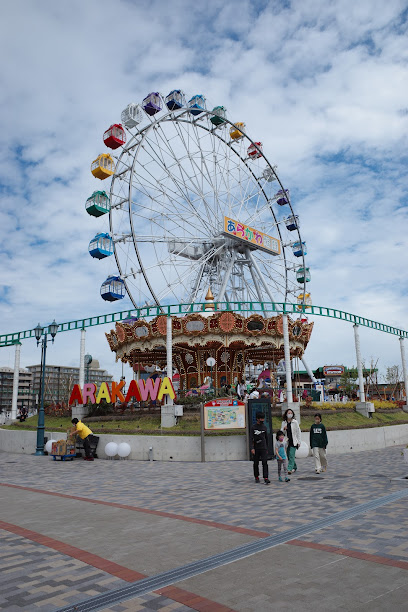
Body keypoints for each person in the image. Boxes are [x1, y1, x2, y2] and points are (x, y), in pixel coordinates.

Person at [250, 412, 270, 484]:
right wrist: (252, 448)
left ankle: (266, 477)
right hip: (256, 448)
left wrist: (267, 448)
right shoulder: (253, 427)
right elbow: (251, 438)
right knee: (256, 463)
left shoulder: (264, 427)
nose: (262, 420)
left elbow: (266, 438)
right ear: (257, 419)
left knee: (265, 462)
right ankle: (256, 476)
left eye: (263, 418)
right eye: (261, 418)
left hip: (263, 447)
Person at [280, 408, 301, 474]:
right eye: (288, 413)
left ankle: (289, 469)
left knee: (292, 455)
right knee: (289, 455)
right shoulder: (284, 422)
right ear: (286, 414)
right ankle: (294, 466)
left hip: (293, 441)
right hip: (287, 441)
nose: (290, 414)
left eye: (291, 413)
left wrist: (299, 441)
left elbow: (298, 432)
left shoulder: (295, 422)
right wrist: (284, 428)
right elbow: (281, 432)